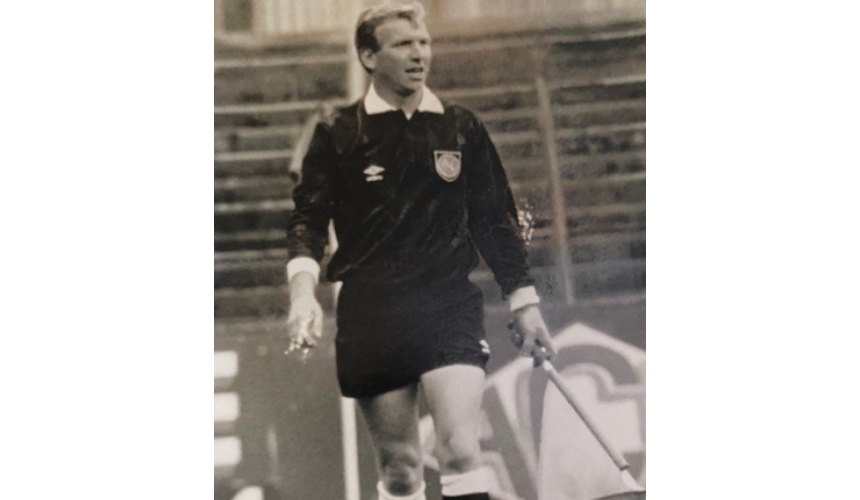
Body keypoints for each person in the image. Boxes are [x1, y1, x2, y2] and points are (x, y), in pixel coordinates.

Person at [285, 2, 556, 499]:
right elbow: (307, 221)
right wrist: (302, 295)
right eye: (403, 45)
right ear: (369, 56)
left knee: (459, 450)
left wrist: (525, 303)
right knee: (402, 469)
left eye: (424, 43)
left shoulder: (461, 128)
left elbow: (495, 222)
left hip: (446, 306)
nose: (419, 54)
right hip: (372, 313)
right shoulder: (338, 133)